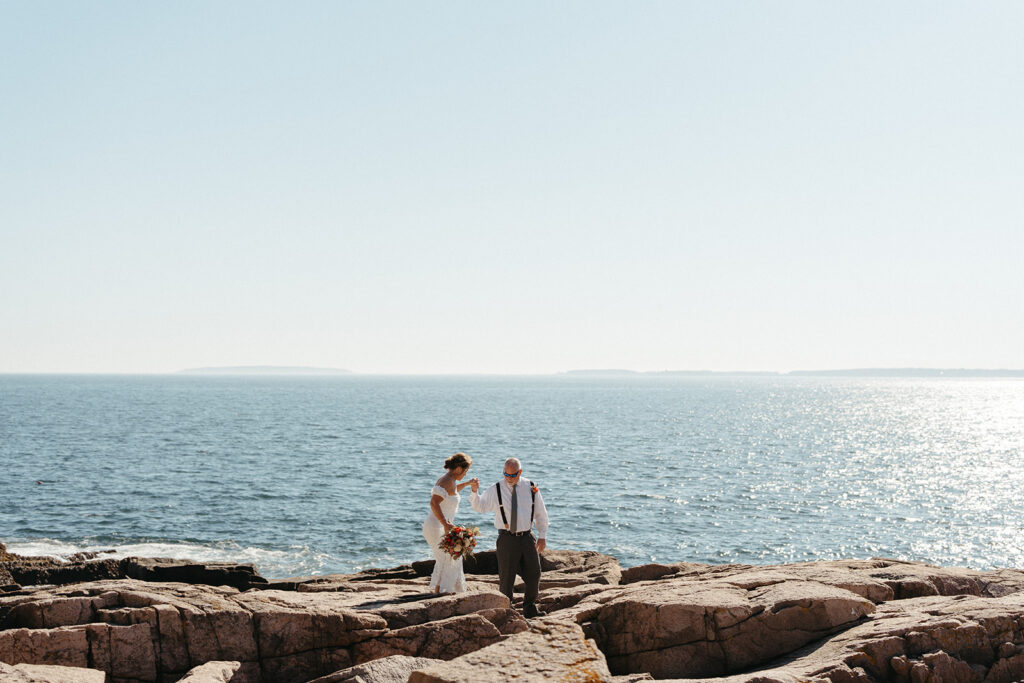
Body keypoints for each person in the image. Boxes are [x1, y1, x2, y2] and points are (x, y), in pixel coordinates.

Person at [470, 457, 549, 618]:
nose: (509, 478)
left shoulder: (531, 487)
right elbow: (481, 507)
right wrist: (474, 492)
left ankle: (530, 607)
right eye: (506, 474)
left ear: (520, 472)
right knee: (506, 577)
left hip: (527, 537)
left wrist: (542, 535)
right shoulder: (496, 488)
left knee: (534, 573)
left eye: (512, 475)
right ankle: (507, 610)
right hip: (507, 539)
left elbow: (540, 512)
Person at [422, 452, 477, 594]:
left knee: (450, 557)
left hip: (441, 525)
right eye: (465, 471)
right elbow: (434, 502)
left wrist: (467, 483)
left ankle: (443, 590)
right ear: (459, 468)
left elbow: (452, 492)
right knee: (448, 557)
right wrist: (445, 523)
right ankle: (442, 591)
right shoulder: (446, 480)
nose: (465, 474)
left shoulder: (450, 481)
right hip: (436, 526)